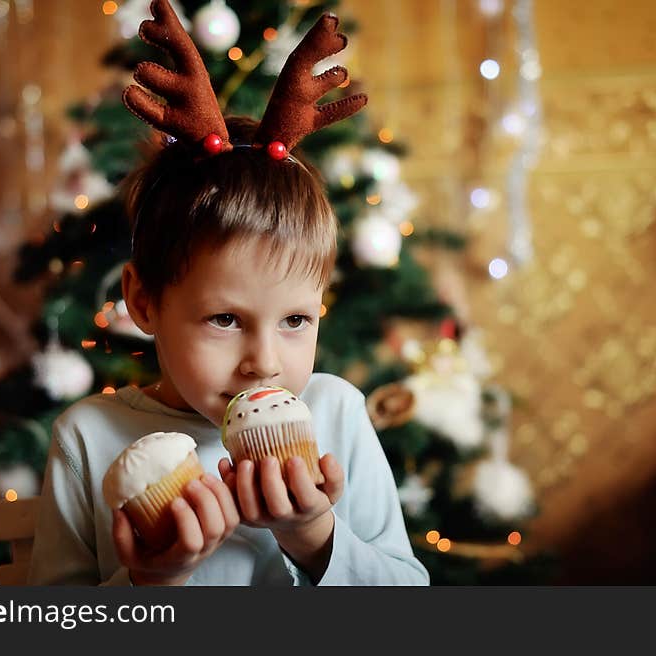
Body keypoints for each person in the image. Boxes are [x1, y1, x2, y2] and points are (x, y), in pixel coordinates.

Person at [27, 1, 429, 587]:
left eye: (294, 319)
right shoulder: (88, 438)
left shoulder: (336, 413)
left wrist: (315, 536)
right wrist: (153, 581)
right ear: (143, 302)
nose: (264, 361)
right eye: (223, 319)